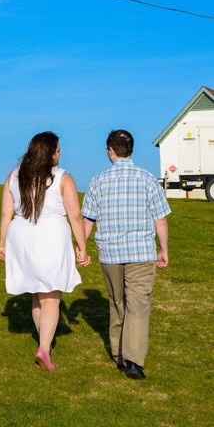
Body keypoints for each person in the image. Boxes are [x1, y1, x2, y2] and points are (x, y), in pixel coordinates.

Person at [0, 131, 90, 372]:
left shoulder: (14, 176)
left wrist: (2, 243)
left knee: (38, 294)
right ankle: (45, 349)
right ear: (50, 153)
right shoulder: (62, 178)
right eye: (58, 150)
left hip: (21, 236)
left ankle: (43, 343)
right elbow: (75, 215)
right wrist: (82, 247)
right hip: (50, 236)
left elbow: (7, 213)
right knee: (51, 296)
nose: (60, 154)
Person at [82, 129, 171, 380]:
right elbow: (160, 219)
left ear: (110, 151)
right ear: (131, 150)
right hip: (142, 252)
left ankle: (119, 354)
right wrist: (163, 249)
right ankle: (133, 361)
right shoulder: (147, 178)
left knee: (117, 303)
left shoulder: (98, 180)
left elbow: (87, 219)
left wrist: (80, 247)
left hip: (110, 253)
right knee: (138, 305)